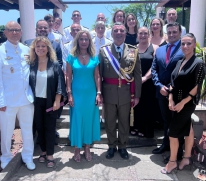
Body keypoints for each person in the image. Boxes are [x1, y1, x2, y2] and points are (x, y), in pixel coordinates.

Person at [0, 21, 35, 170]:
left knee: (27, 131)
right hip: (8, 100)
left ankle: (28, 156)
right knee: (7, 131)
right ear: (5, 32)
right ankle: (6, 157)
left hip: (26, 99)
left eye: (17, 30)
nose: (14, 33)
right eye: (11, 30)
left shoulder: (27, 50)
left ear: (21, 32)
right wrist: (0, 101)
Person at [161, 33, 205, 174]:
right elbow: (173, 82)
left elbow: (197, 87)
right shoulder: (180, 61)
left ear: (194, 45)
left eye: (189, 43)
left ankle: (172, 161)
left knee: (172, 133)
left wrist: (182, 103)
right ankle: (186, 158)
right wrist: (171, 98)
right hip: (176, 101)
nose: (185, 46)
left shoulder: (198, 63)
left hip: (187, 103)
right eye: (183, 44)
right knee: (189, 129)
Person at [99, 22, 142, 159]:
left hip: (126, 93)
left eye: (121, 31)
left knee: (124, 121)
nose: (118, 33)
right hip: (108, 92)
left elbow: (137, 75)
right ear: (111, 34)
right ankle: (111, 146)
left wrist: (137, 96)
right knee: (110, 122)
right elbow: (99, 75)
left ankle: (123, 146)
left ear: (125, 34)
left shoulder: (133, 51)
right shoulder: (103, 51)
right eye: (116, 31)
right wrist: (99, 93)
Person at [29, 36, 66, 168]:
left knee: (50, 128)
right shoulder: (31, 65)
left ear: (48, 48)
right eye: (38, 46)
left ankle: (50, 154)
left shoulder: (54, 64)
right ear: (34, 49)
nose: (40, 48)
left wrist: (57, 100)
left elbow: (60, 84)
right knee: (39, 128)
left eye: (43, 46)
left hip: (50, 101)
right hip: (35, 102)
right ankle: (43, 151)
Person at [66, 30, 102, 162]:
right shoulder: (71, 57)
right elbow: (68, 76)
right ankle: (76, 148)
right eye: (81, 39)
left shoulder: (94, 57)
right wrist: (69, 93)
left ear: (89, 41)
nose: (84, 41)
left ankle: (87, 147)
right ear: (77, 41)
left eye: (86, 39)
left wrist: (98, 93)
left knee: (88, 120)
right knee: (76, 119)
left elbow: (97, 76)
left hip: (91, 93)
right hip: (77, 93)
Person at [151, 22, 185, 161]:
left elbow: (184, 72)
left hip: (177, 93)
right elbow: (154, 70)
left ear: (179, 33)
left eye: (174, 32)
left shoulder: (185, 49)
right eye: (169, 32)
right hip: (161, 92)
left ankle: (177, 152)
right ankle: (166, 144)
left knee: (177, 122)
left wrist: (171, 87)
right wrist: (159, 86)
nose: (171, 35)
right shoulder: (160, 50)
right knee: (166, 120)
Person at [133, 27, 159, 138]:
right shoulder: (132, 49)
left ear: (149, 34)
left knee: (148, 105)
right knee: (137, 105)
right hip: (135, 81)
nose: (143, 35)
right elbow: (130, 65)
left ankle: (146, 129)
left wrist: (145, 77)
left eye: (145, 33)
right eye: (140, 33)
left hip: (149, 82)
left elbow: (155, 65)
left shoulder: (155, 48)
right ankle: (136, 127)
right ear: (137, 35)